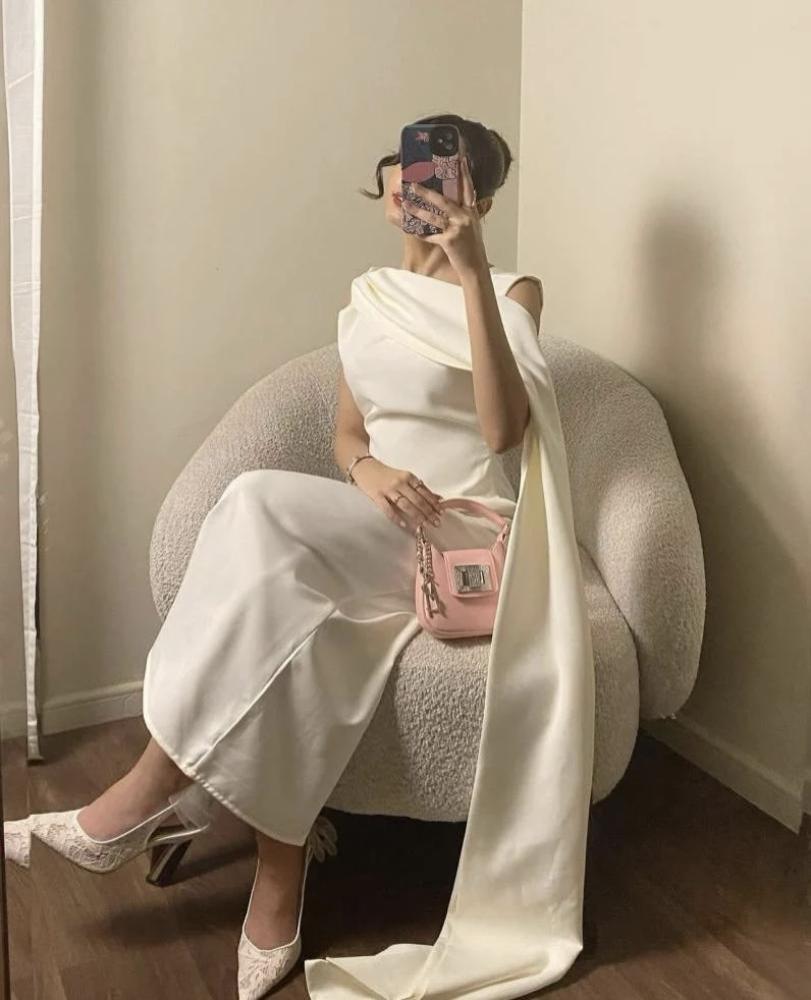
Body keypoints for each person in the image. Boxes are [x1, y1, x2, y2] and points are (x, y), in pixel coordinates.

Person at [5, 113, 593, 1000]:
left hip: (467, 534)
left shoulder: (513, 290)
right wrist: (371, 473)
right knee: (297, 616)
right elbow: (348, 435)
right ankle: (276, 883)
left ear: (477, 195)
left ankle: (149, 791)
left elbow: (503, 431)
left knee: (254, 501)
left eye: (436, 179)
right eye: (401, 180)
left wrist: (470, 269)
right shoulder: (366, 303)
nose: (413, 194)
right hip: (383, 518)